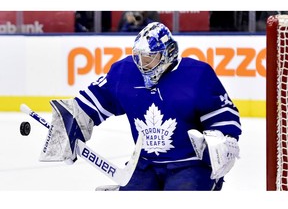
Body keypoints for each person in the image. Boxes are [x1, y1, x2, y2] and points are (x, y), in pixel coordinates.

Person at [41, 22, 242, 190]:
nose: (141, 64)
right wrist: (70, 123)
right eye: (138, 57)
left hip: (190, 165)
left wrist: (222, 142)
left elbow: (222, 115)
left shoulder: (197, 74)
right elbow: (91, 102)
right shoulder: (124, 72)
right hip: (145, 164)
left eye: (149, 58)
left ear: (167, 53)